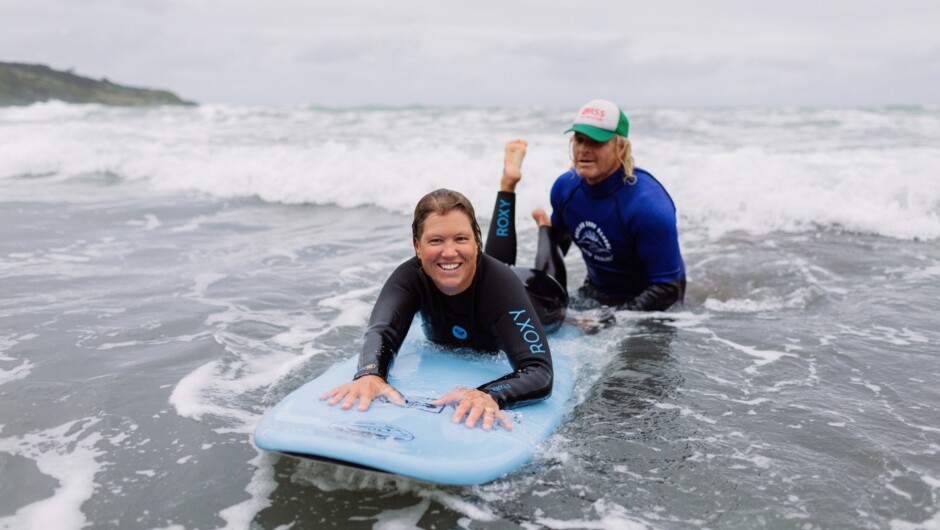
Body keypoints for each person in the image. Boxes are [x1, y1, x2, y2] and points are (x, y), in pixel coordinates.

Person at [320, 188, 561, 431]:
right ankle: (508, 187)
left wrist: (488, 394)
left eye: (461, 238)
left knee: (549, 280)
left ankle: (543, 227)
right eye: (436, 240)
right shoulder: (408, 278)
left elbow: (539, 370)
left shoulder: (502, 286)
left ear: (477, 242)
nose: (448, 252)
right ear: (417, 246)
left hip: (542, 295)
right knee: (484, 264)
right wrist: (370, 374)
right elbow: (381, 332)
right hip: (489, 272)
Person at [534, 99, 686, 311]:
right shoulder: (565, 188)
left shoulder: (647, 206)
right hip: (596, 293)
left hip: (653, 306)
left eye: (596, 142)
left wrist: (610, 319)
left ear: (621, 148)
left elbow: (669, 288)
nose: (584, 149)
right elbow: (558, 249)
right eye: (579, 140)